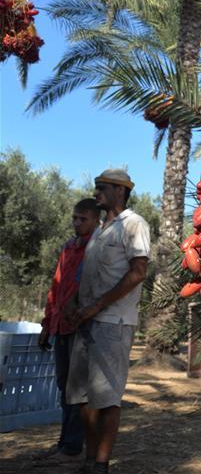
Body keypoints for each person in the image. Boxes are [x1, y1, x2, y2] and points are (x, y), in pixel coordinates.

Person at [66, 169, 150, 474]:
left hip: (113, 322)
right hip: (86, 323)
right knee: (83, 397)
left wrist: (98, 306)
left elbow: (138, 272)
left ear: (120, 190)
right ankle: (90, 460)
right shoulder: (101, 230)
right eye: (96, 187)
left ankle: (101, 464)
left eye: (102, 187)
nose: (96, 192)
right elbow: (87, 276)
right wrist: (75, 304)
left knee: (107, 398)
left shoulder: (134, 224)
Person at [34, 199, 101, 467]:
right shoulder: (68, 248)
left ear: (96, 221)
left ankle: (73, 448)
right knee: (63, 387)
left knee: (77, 391)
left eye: (82, 219)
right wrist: (47, 324)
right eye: (74, 218)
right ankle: (65, 442)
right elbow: (57, 287)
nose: (76, 223)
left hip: (81, 328)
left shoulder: (96, 250)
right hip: (61, 327)